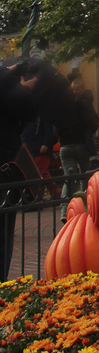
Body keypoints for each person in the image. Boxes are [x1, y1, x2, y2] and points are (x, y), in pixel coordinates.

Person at [0, 64, 37, 281]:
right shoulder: (5, 80)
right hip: (4, 168)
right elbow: (28, 110)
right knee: (2, 236)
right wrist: (25, 87)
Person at [56, 75, 99, 219]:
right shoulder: (84, 104)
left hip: (71, 145)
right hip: (76, 145)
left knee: (72, 178)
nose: (74, 91)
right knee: (79, 178)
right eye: (73, 89)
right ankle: (77, 210)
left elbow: (57, 127)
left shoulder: (64, 104)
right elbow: (93, 124)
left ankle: (70, 211)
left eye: (76, 89)